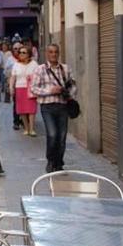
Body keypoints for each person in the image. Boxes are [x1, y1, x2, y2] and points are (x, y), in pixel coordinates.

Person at [30, 44, 77, 173]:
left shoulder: (65, 69)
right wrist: (50, 90)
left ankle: (59, 162)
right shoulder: (40, 70)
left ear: (59, 53)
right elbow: (33, 88)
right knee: (52, 134)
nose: (53, 54)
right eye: (51, 52)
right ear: (47, 54)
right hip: (47, 107)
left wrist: (69, 94)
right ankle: (50, 161)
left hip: (62, 106)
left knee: (61, 137)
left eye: (56, 52)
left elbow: (73, 85)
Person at [10, 45, 39, 137]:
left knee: (31, 109)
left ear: (29, 54)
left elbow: (39, 76)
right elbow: (13, 77)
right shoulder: (16, 64)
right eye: (20, 52)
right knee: (21, 110)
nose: (21, 54)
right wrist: (11, 87)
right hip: (19, 88)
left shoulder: (34, 64)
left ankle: (32, 129)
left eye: (24, 52)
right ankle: (26, 128)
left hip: (31, 88)